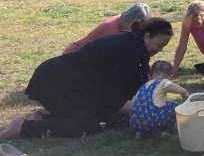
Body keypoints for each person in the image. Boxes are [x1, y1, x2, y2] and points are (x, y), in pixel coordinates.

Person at [0, 18, 175, 140]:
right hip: (56, 81)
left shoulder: (134, 45)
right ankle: (22, 129)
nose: (159, 50)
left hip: (73, 83)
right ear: (147, 36)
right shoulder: (130, 51)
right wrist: (137, 111)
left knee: (98, 117)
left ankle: (39, 119)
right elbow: (112, 94)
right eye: (159, 45)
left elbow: (123, 86)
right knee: (87, 124)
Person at [63, 3, 152, 54]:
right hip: (75, 54)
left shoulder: (126, 26)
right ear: (129, 19)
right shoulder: (111, 29)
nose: (136, 30)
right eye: (135, 25)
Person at [130, 60, 190, 136]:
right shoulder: (163, 82)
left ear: (149, 76)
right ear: (170, 77)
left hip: (136, 124)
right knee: (173, 105)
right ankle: (170, 130)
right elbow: (171, 87)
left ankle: (141, 132)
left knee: (144, 108)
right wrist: (184, 92)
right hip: (155, 121)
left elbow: (131, 107)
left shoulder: (142, 88)